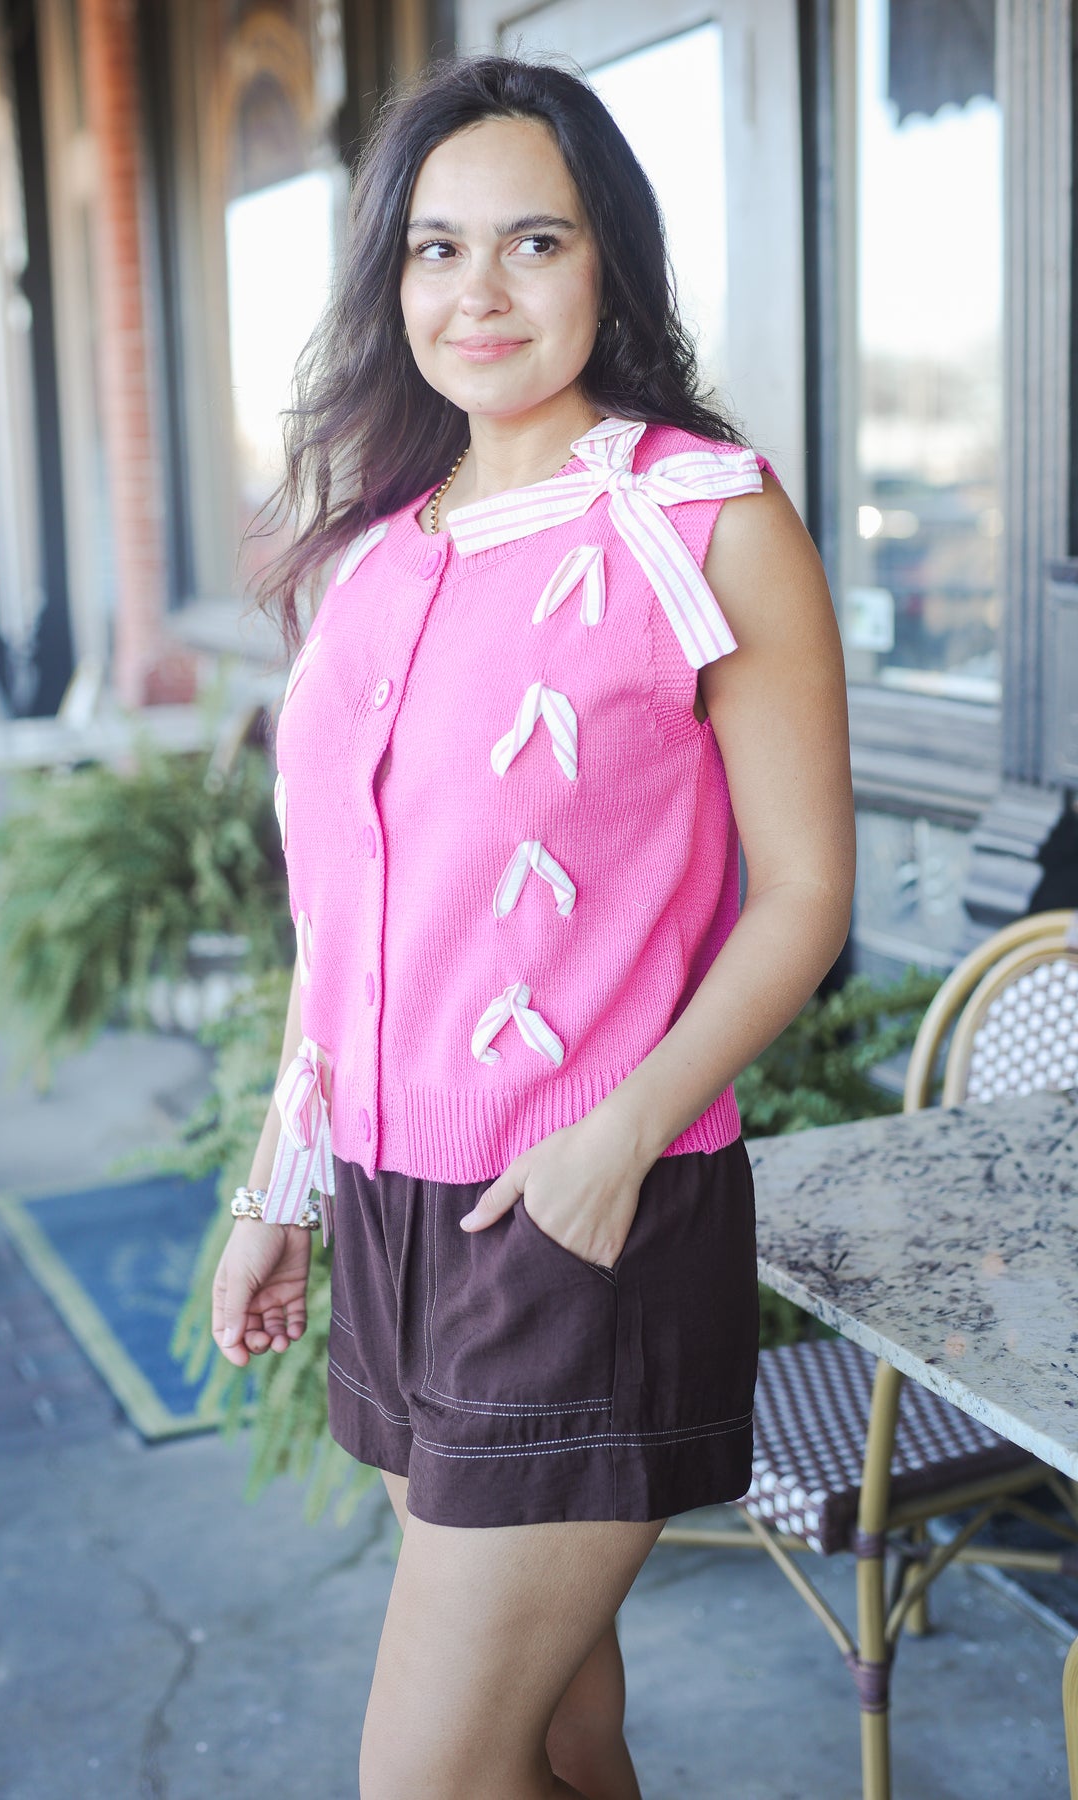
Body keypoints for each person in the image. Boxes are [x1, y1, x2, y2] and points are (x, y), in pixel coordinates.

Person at [212, 54, 854, 1800]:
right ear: (387, 280)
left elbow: (805, 894)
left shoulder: (702, 516)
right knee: (564, 1734)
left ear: (610, 263)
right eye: (433, 247)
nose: (477, 290)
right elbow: (342, 927)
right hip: (394, 1216)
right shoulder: (371, 556)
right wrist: (283, 1187)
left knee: (423, 1772)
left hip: (588, 1219)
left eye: (533, 240)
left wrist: (617, 1138)